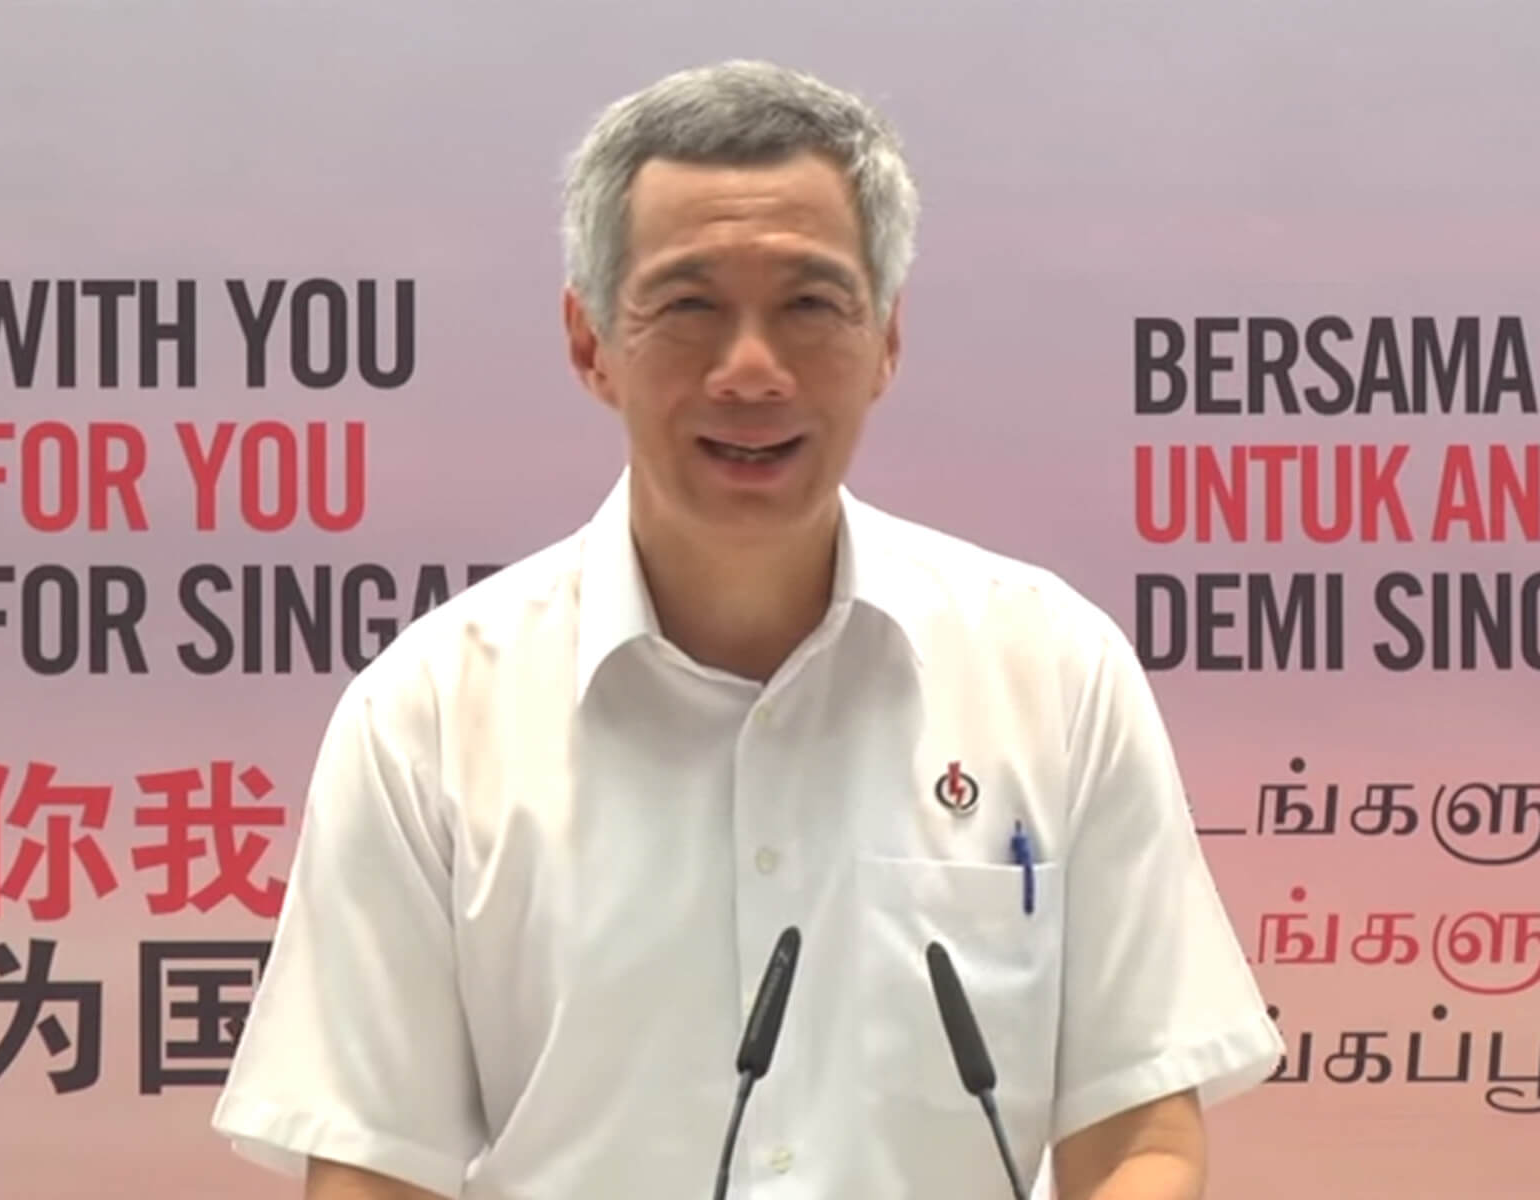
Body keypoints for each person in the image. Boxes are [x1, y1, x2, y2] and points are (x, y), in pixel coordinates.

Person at [210, 58, 1283, 1200]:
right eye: (688, 307)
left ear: (886, 342)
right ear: (589, 345)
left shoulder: (1050, 670)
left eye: (811, 306)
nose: (753, 370)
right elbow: (377, 1169)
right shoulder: (426, 713)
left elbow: (1141, 1135)